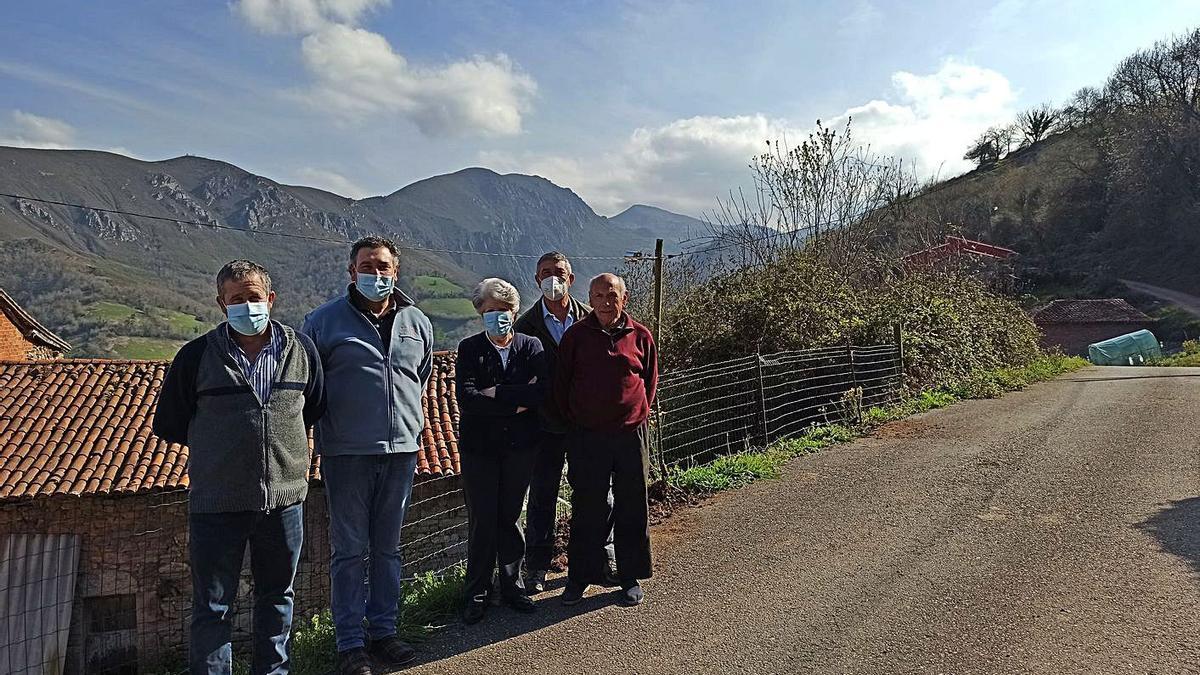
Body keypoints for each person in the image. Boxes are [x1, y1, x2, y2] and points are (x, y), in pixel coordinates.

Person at [153, 260, 325, 675]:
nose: (247, 306)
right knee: (213, 607)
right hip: (217, 504)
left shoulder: (301, 351)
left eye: (253, 297)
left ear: (270, 299)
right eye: (236, 299)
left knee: (278, 597)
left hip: (284, 503)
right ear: (220, 304)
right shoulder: (196, 357)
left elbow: (314, 407)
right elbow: (171, 423)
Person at [301, 237, 433, 675]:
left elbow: (421, 377)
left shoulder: (418, 322)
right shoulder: (322, 323)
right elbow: (309, 390)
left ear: (396, 271)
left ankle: (384, 632)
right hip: (347, 453)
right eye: (366, 265)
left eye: (383, 266)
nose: (375, 274)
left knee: (388, 550)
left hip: (401, 452)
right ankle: (350, 643)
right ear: (350, 271)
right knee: (349, 551)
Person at [513, 252, 618, 593]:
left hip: (587, 424)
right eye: (545, 273)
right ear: (536, 280)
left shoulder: (592, 319)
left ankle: (598, 560)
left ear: (571, 279)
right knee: (542, 496)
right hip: (544, 426)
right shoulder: (525, 327)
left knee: (596, 492)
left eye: (558, 272)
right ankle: (537, 568)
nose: (552, 279)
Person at [554, 272, 658, 607]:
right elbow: (561, 386)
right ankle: (580, 577)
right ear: (590, 299)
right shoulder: (575, 337)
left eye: (611, 295)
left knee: (632, 504)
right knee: (588, 507)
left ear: (624, 298)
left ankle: (628, 576)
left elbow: (650, 381)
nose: (605, 302)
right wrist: (580, 421)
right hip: (588, 437)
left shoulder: (641, 336)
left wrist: (635, 413)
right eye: (598, 296)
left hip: (631, 434)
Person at [455, 278, 547, 623]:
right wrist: (516, 399)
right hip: (480, 449)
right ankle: (476, 592)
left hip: (521, 448)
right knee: (482, 520)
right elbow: (467, 398)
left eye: (504, 310)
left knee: (509, 517)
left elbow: (541, 394)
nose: (497, 316)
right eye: (490, 310)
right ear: (480, 311)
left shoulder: (531, 346)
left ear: (514, 311)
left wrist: (496, 393)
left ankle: (512, 585)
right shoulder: (469, 348)